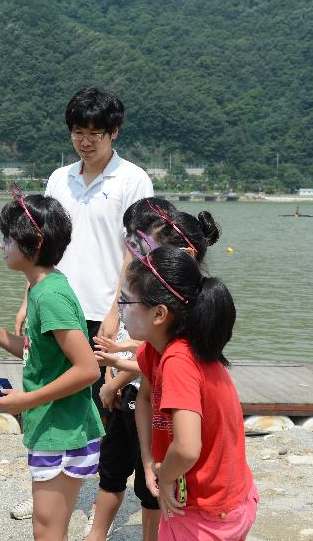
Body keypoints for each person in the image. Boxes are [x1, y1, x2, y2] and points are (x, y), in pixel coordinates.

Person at [10, 86, 153, 521]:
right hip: (58, 307)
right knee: (51, 395)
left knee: (107, 403)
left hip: (112, 310)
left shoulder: (133, 179)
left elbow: (138, 250)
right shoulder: (59, 179)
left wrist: (115, 311)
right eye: (77, 131)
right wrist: (27, 299)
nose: (85, 141)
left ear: (114, 132)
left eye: (95, 132)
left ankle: (97, 495)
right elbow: (41, 246)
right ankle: (51, 488)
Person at [0, 189, 104, 541]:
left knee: (47, 528)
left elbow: (88, 369)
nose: (2, 245)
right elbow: (38, 353)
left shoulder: (50, 296)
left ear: (33, 244)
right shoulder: (42, 288)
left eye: (8, 238)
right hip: (58, 424)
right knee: (49, 525)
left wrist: (26, 401)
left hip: (62, 428)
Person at [86, 199, 221, 541]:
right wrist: (115, 374)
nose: (140, 252)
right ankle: (98, 533)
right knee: (116, 464)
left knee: (155, 487)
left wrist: (114, 380)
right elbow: (147, 355)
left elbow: (157, 359)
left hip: (163, 409)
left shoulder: (184, 314)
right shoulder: (155, 294)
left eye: (147, 244)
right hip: (138, 396)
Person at [122, 245, 258, 540]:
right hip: (223, 495)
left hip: (207, 511)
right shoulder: (154, 350)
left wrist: (167, 477)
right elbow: (144, 399)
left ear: (159, 313)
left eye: (126, 300)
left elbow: (186, 448)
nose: (119, 308)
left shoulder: (179, 360)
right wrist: (148, 462)